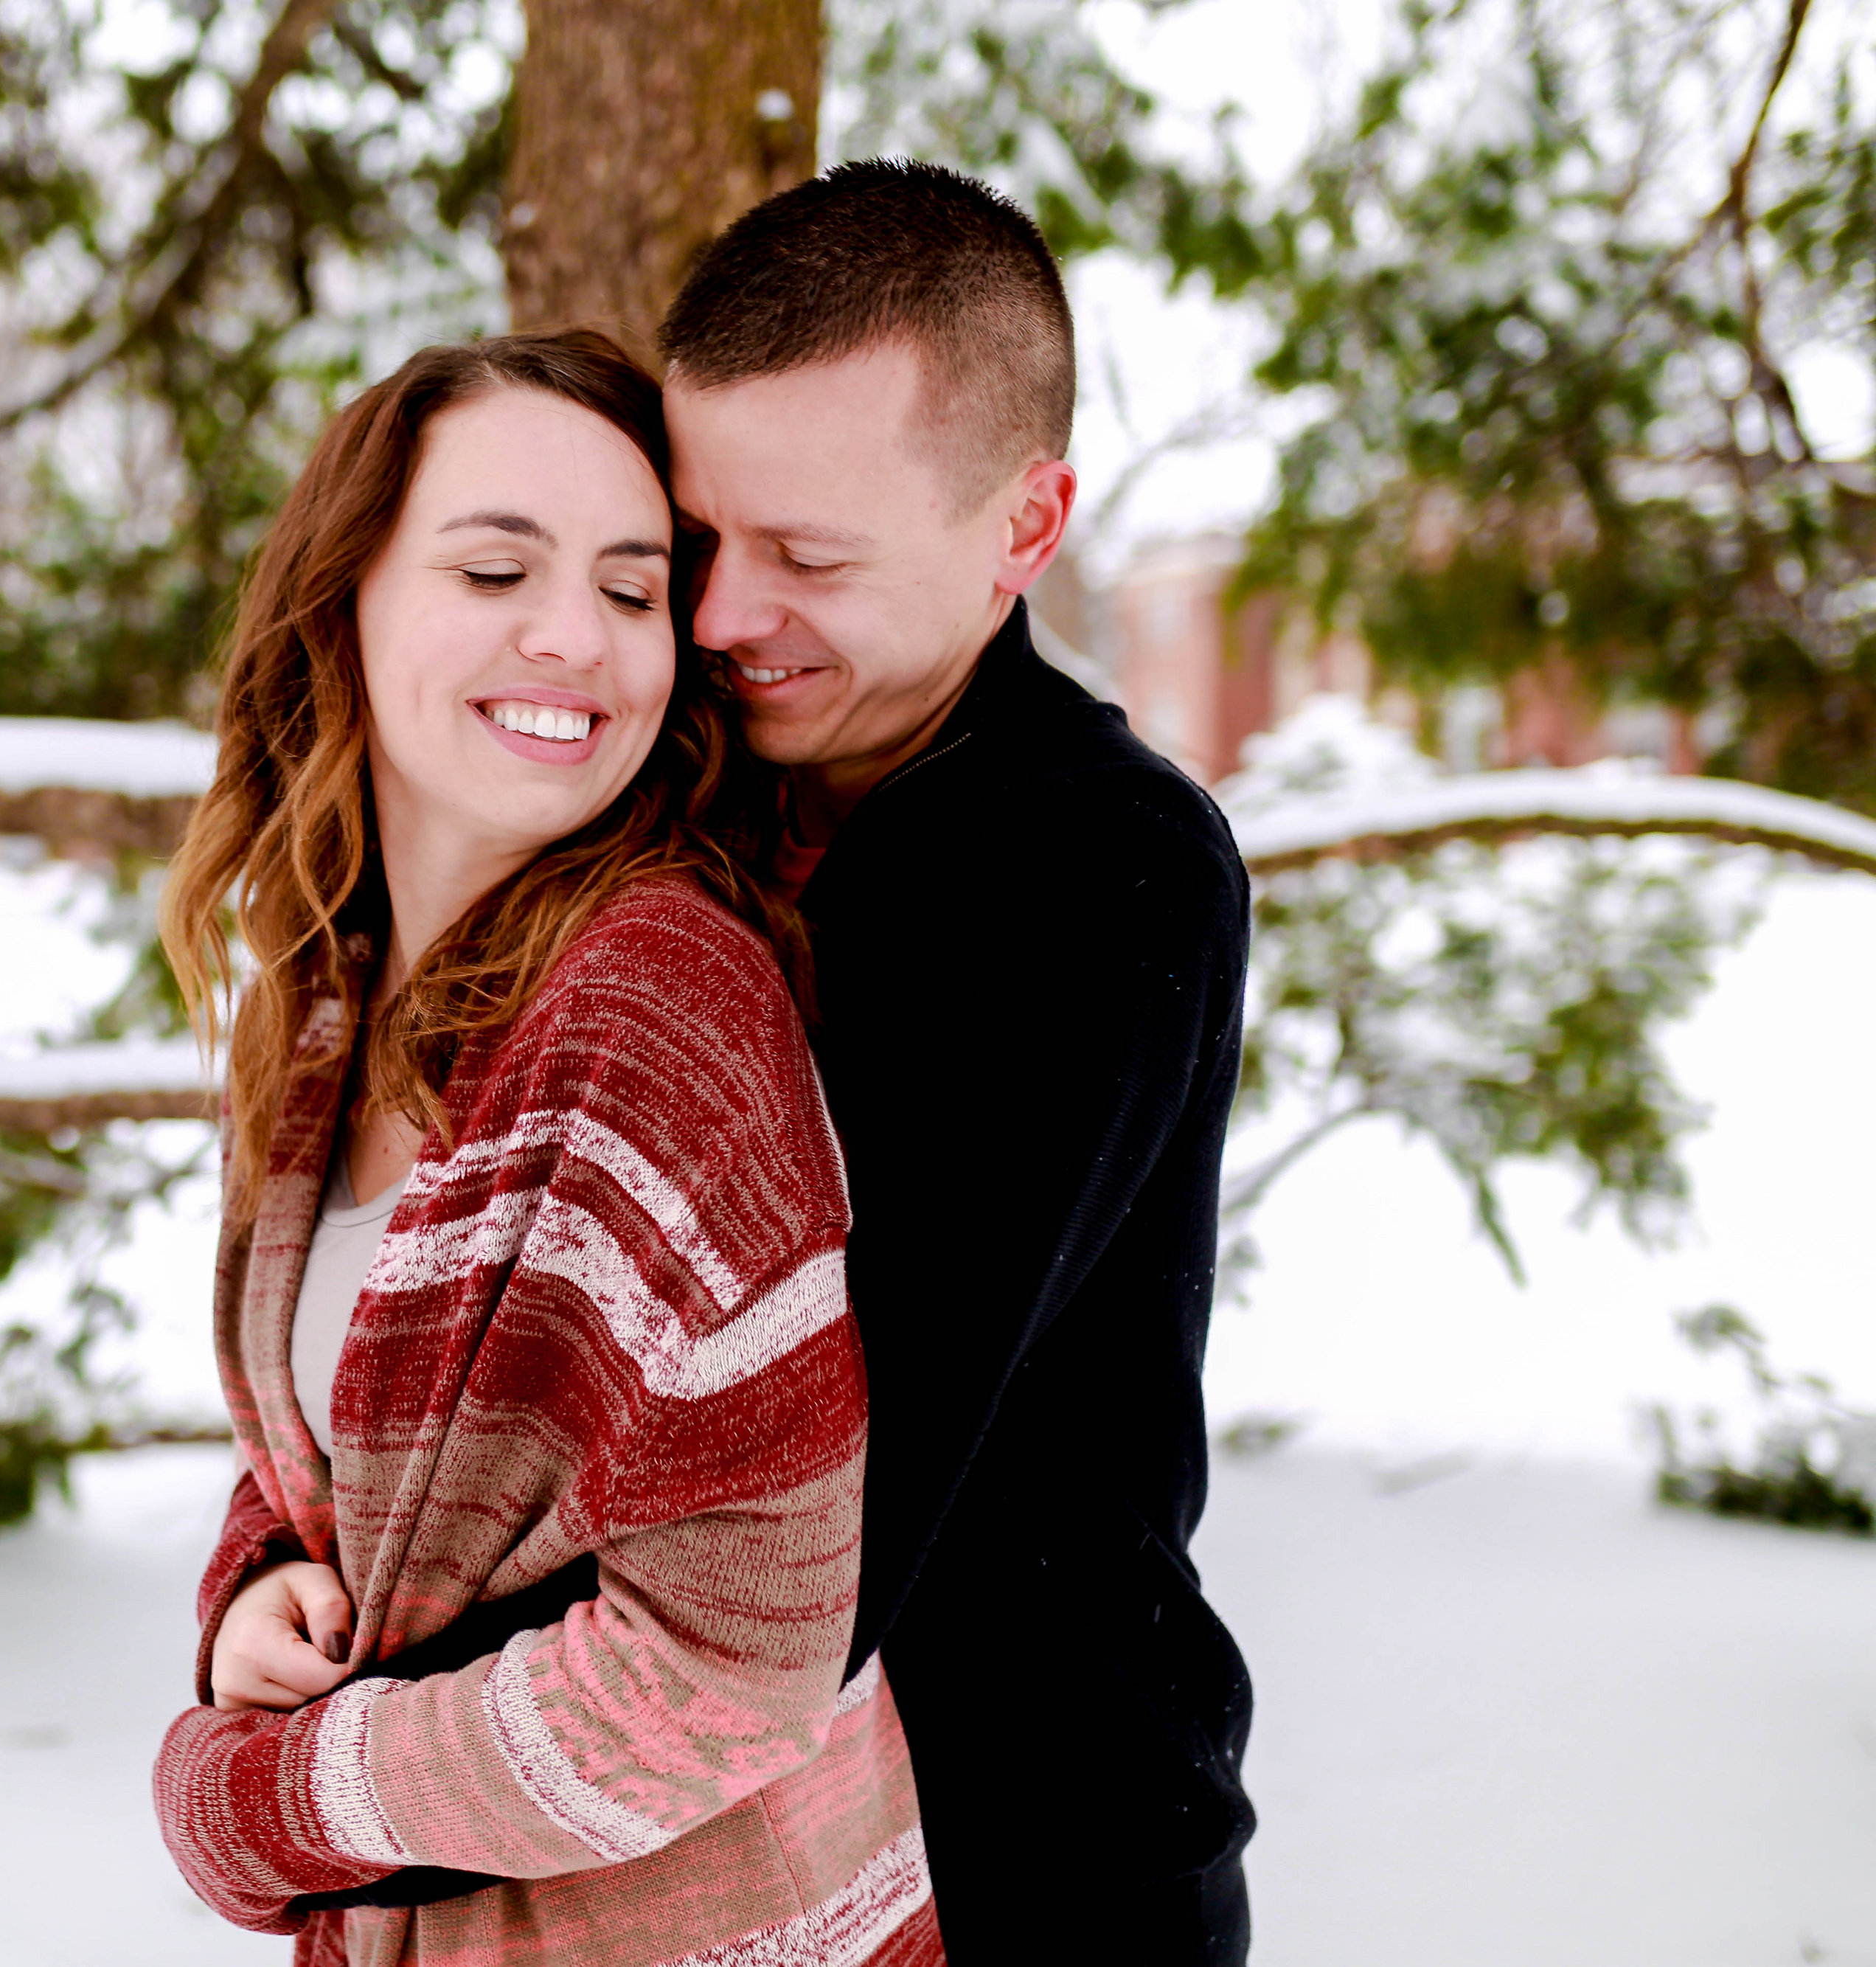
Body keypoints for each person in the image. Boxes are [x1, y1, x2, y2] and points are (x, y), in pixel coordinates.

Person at [149, 328, 948, 1967]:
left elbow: (738, 1660)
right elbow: (359, 1433)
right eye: (496, 566)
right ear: (344, 594)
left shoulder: (659, 1007)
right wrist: (254, 1585)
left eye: (632, 586)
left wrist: (271, 1802)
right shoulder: (323, 1004)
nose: (574, 638)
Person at [656, 161, 1259, 1963]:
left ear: (1024, 522)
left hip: (1029, 1867)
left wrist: (352, 1746)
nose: (712, 615)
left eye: (805, 557)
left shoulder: (1097, 869)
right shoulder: (662, 784)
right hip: (690, 1872)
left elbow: (822, 1506)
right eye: (694, 538)